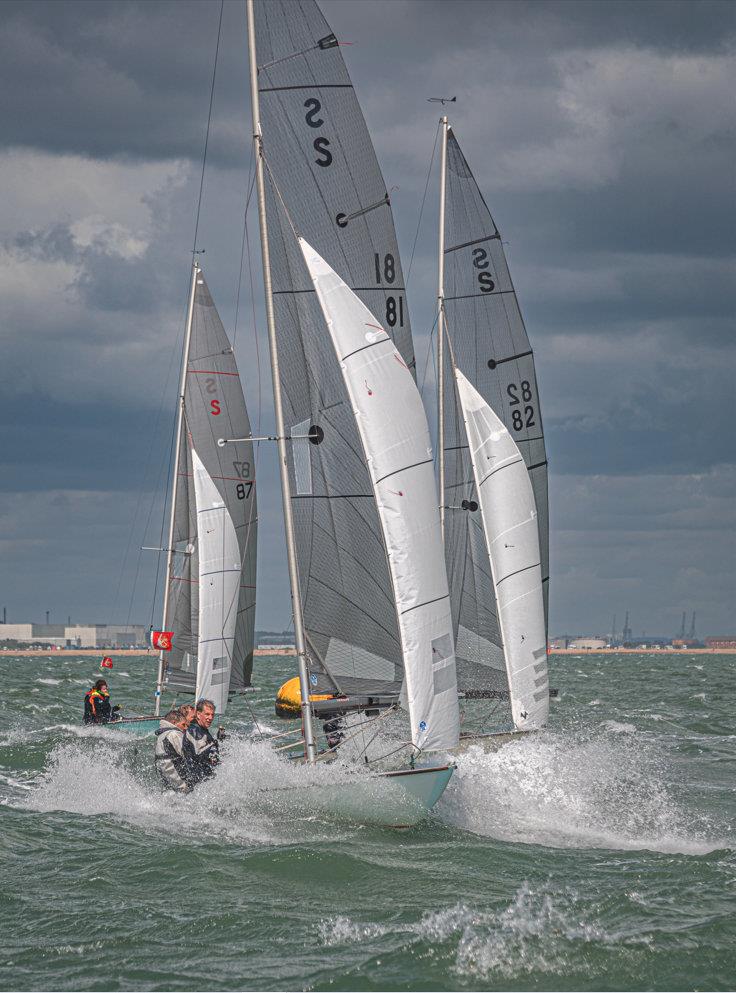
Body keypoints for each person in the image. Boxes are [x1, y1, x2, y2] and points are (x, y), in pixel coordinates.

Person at [154, 707, 198, 793]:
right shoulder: (174, 734)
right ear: (174, 723)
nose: (185, 728)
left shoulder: (161, 736)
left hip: (169, 785)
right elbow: (190, 754)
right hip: (183, 787)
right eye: (183, 725)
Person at [186, 698, 220, 782]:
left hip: (204, 778)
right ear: (198, 714)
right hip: (196, 780)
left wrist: (219, 740)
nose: (210, 718)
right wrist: (214, 745)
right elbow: (199, 753)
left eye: (212, 715)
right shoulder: (193, 730)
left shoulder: (203, 730)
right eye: (207, 714)